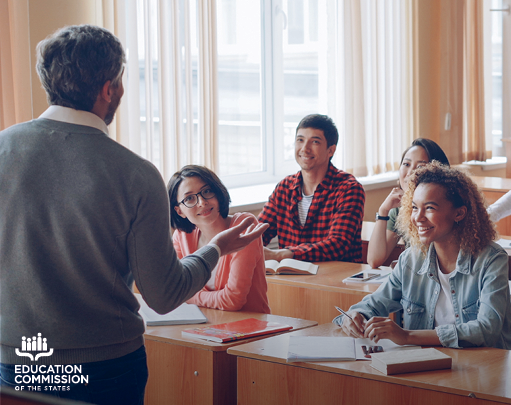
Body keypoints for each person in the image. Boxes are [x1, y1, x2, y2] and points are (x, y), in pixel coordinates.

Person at [0, 25, 265, 405]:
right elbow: (163, 293)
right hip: (104, 364)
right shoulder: (134, 173)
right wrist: (216, 249)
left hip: (16, 358)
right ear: (110, 88)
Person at [337, 163, 511, 350]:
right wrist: (354, 315)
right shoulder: (411, 259)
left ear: (459, 213)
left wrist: (407, 336)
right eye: (415, 208)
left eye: (429, 208)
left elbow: (487, 329)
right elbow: (375, 303)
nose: (418, 217)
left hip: (487, 365)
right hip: (429, 365)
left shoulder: (491, 259)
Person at [260, 114, 365, 263]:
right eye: (300, 140)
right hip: (291, 278)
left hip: (334, 280)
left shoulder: (349, 189)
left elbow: (338, 245)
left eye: (315, 142)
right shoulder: (284, 187)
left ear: (331, 150)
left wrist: (282, 255)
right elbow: (259, 232)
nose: (304, 149)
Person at [169, 165, 270, 313]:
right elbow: (174, 290)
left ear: (218, 192)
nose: (202, 202)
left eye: (207, 191)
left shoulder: (244, 226)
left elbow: (233, 300)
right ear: (179, 211)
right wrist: (182, 294)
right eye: (189, 198)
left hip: (251, 328)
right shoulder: (182, 236)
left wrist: (188, 297)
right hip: (204, 327)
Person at [367, 138, 450, 268]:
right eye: (406, 164)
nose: (410, 172)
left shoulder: (445, 207)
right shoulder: (399, 210)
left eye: (420, 166)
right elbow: (374, 260)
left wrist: (408, 264)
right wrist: (383, 211)